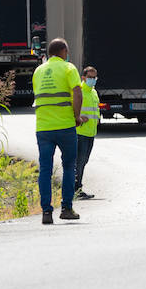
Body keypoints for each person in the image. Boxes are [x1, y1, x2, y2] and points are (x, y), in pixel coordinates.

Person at [33, 38, 88, 224]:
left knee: (45, 170)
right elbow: (77, 92)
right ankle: (66, 208)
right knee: (68, 167)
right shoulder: (68, 68)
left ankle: (46, 212)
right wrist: (77, 116)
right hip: (65, 126)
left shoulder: (38, 71)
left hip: (43, 128)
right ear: (63, 51)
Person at [74, 66, 100, 201]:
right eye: (90, 77)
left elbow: (95, 110)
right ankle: (76, 189)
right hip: (80, 132)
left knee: (84, 161)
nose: (92, 80)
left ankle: (77, 189)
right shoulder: (80, 91)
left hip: (91, 133)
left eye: (94, 78)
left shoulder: (93, 92)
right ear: (83, 78)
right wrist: (79, 118)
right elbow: (71, 110)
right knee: (78, 162)